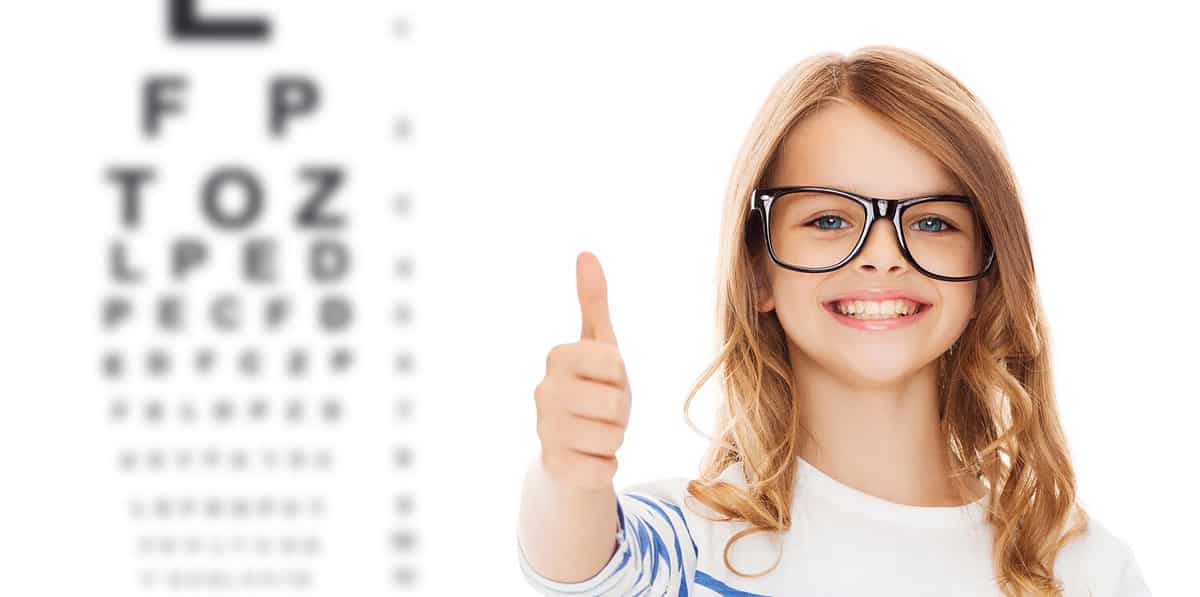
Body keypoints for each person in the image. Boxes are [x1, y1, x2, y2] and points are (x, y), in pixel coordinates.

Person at [515, 45, 1151, 596]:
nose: (881, 256)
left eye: (932, 222)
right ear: (759, 272)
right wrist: (568, 474)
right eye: (828, 220)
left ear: (988, 272)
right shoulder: (695, 547)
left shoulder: (1082, 572)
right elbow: (581, 567)